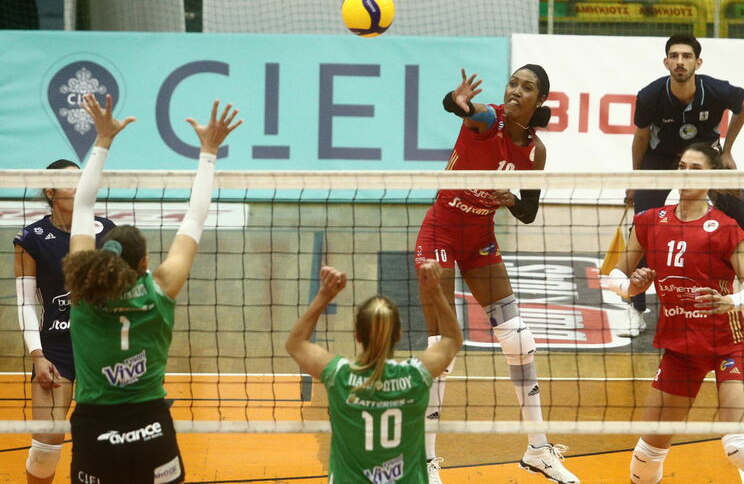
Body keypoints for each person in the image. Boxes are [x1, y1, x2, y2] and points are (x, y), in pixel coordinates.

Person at [63, 93, 241, 483]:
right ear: (144, 262)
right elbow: (195, 216)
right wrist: (209, 151)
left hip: (96, 426)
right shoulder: (161, 287)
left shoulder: (82, 289)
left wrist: (103, 140)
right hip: (150, 424)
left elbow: (81, 207)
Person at [414, 66, 580, 484]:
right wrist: (459, 103)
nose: (515, 91)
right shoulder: (488, 120)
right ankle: (427, 459)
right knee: (441, 347)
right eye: (513, 83)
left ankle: (538, 449)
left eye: (526, 88)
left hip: (480, 242)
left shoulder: (536, 153)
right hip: (441, 234)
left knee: (520, 338)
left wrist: (510, 201)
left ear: (539, 100)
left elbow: (528, 212)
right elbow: (459, 108)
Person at [608, 142, 744, 484]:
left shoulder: (725, 227)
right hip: (680, 349)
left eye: (696, 168)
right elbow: (615, 277)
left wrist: (732, 301)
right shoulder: (650, 221)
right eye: (681, 165)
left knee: (740, 446)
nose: (686, 173)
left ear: (711, 177)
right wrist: (631, 287)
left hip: (728, 344)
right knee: (647, 453)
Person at [624, 33, 744, 339]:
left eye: (686, 56)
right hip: (662, 159)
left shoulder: (716, 90)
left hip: (706, 157)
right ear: (666, 61)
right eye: (674, 55)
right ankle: (635, 308)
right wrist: (636, 179)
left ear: (698, 62)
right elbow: (641, 137)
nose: (680, 61)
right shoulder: (649, 95)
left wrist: (727, 150)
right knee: (642, 229)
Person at [285, 261, 463, 483]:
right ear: (398, 336)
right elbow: (452, 340)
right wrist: (435, 292)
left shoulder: (339, 375)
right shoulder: (415, 376)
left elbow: (295, 344)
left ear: (357, 336)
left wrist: (325, 295)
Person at [13, 160, 116, 484]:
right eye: (69, 181)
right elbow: (26, 301)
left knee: (111, 444)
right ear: (50, 190)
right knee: (46, 445)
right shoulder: (32, 238)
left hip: (100, 350)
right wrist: (37, 355)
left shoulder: (107, 231)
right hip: (56, 350)